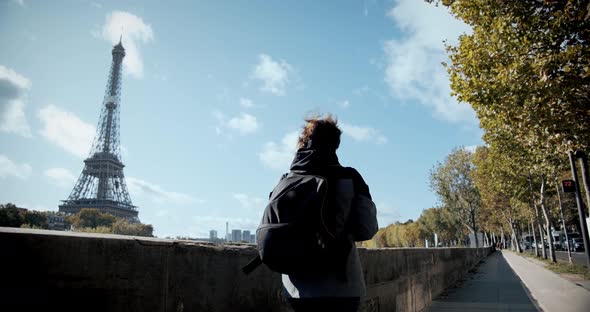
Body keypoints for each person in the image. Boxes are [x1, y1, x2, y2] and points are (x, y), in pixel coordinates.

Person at [280, 114, 378, 312]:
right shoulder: (350, 177)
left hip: (296, 288)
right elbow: (366, 230)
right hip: (341, 286)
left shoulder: (287, 180)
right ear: (336, 144)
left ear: (304, 142)